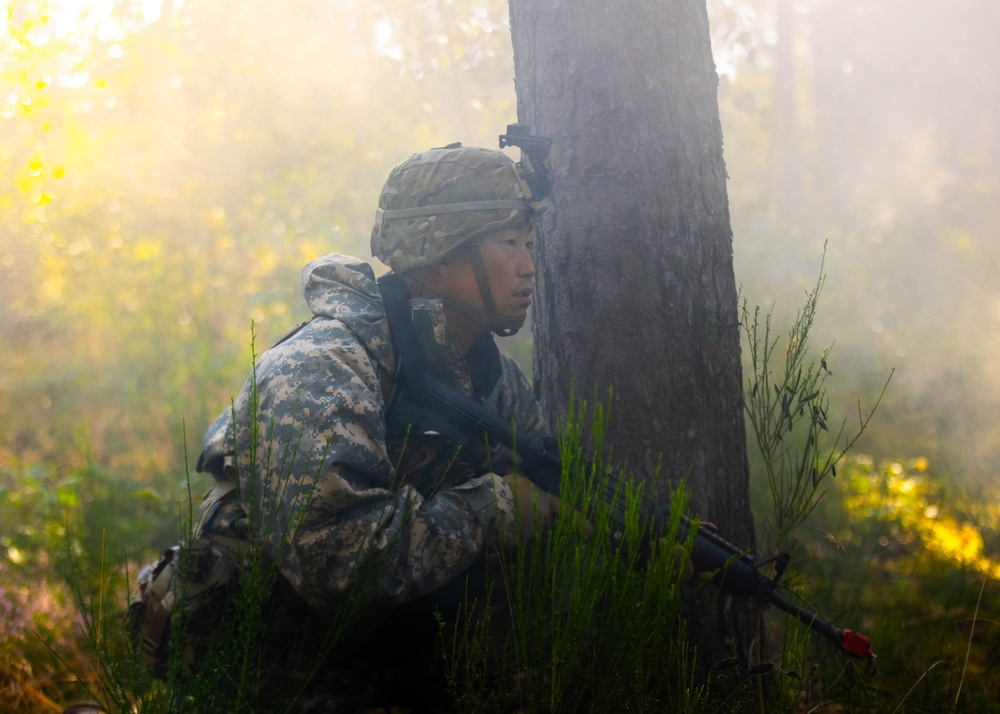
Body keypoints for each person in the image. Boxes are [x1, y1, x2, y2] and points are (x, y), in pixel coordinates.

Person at [191, 140, 559, 711]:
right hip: (274, 677)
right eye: (509, 243)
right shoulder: (323, 368)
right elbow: (336, 563)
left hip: (397, 668)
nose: (529, 265)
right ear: (439, 255)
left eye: (530, 244)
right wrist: (500, 508)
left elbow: (543, 499)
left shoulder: (492, 378)